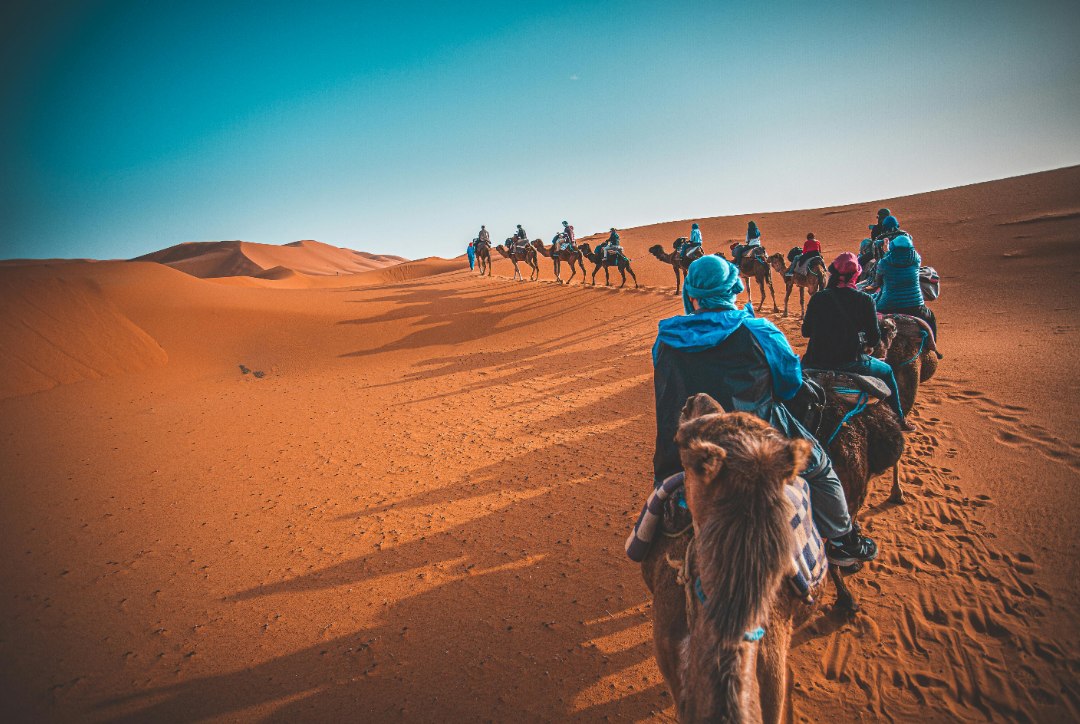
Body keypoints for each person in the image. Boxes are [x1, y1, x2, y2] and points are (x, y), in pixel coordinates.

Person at [652, 255, 878, 567]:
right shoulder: (760, 331)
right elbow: (789, 386)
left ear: (690, 294)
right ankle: (842, 541)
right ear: (734, 289)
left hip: (683, 447)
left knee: (666, 490)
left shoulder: (665, 339)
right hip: (757, 444)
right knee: (821, 467)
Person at [801, 253, 914, 431]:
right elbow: (875, 339)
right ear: (856, 276)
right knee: (887, 371)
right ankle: (899, 419)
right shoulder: (865, 300)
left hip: (815, 361)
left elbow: (805, 332)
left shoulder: (818, 298)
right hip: (852, 363)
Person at [866, 234, 938, 340]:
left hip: (888, 305)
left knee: (870, 317)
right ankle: (932, 346)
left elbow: (877, 283)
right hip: (915, 305)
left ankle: (869, 346)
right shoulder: (916, 259)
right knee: (930, 317)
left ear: (893, 247)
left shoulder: (884, 263)